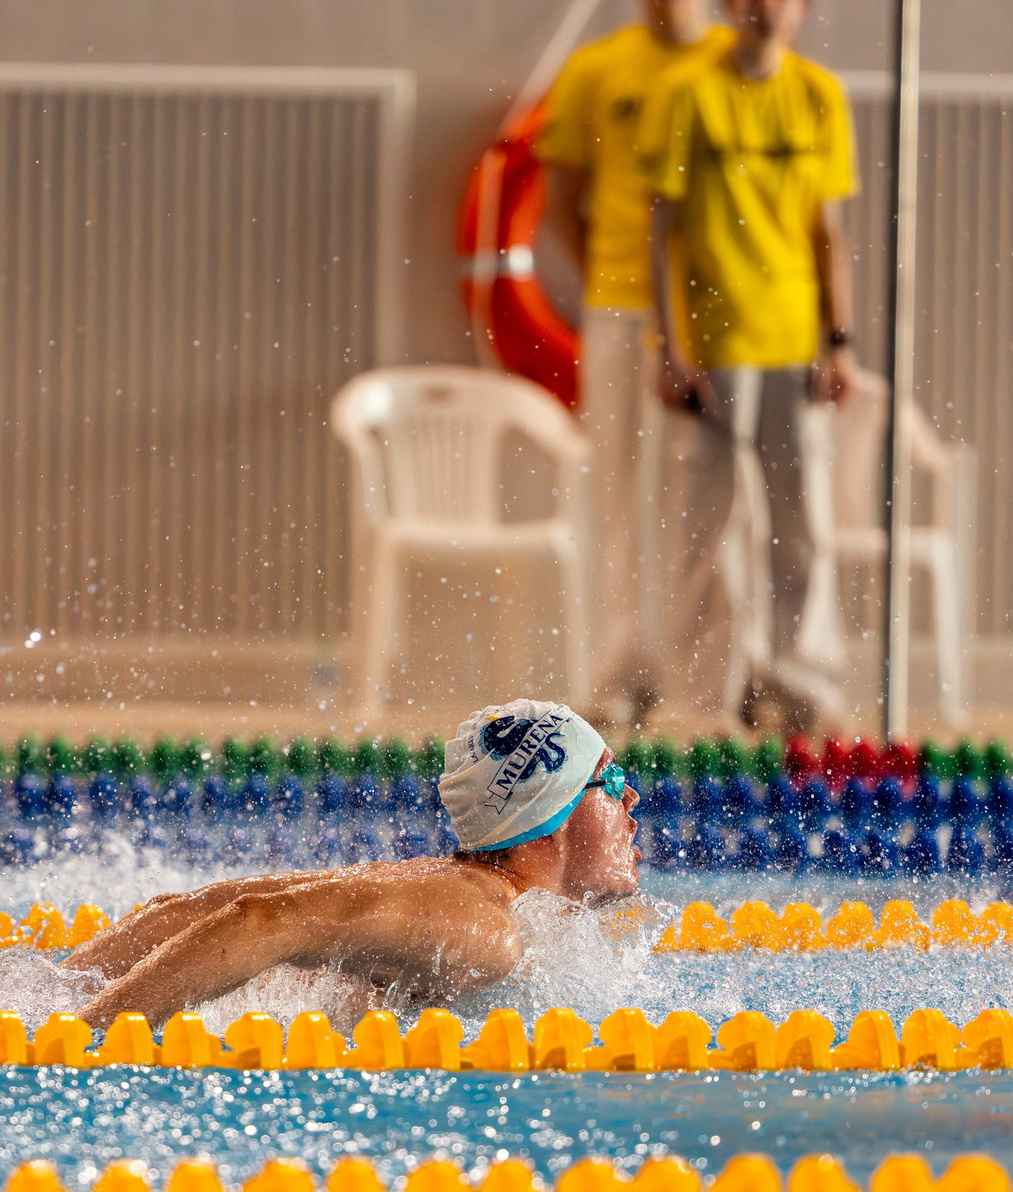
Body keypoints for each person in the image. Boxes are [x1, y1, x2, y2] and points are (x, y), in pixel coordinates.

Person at [68, 700, 638, 1028]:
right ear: (551, 810)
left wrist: (64, 984)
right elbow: (260, 920)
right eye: (610, 780)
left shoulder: (452, 886)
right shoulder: (485, 929)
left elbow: (189, 908)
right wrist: (86, 1038)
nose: (632, 798)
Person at [645, 0, 861, 729]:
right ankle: (706, 696)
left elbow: (827, 231)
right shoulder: (691, 94)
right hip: (714, 343)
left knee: (802, 529)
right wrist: (669, 347)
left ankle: (800, 688)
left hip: (792, 342)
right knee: (710, 534)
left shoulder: (819, 96)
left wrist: (839, 340)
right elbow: (662, 232)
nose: (767, 9)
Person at [533, 0, 733, 726]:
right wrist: (609, 281)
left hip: (714, 311)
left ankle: (708, 681)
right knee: (618, 494)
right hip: (621, 306)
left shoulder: (730, 66)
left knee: (709, 506)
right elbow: (559, 199)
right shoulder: (596, 70)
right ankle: (623, 670)